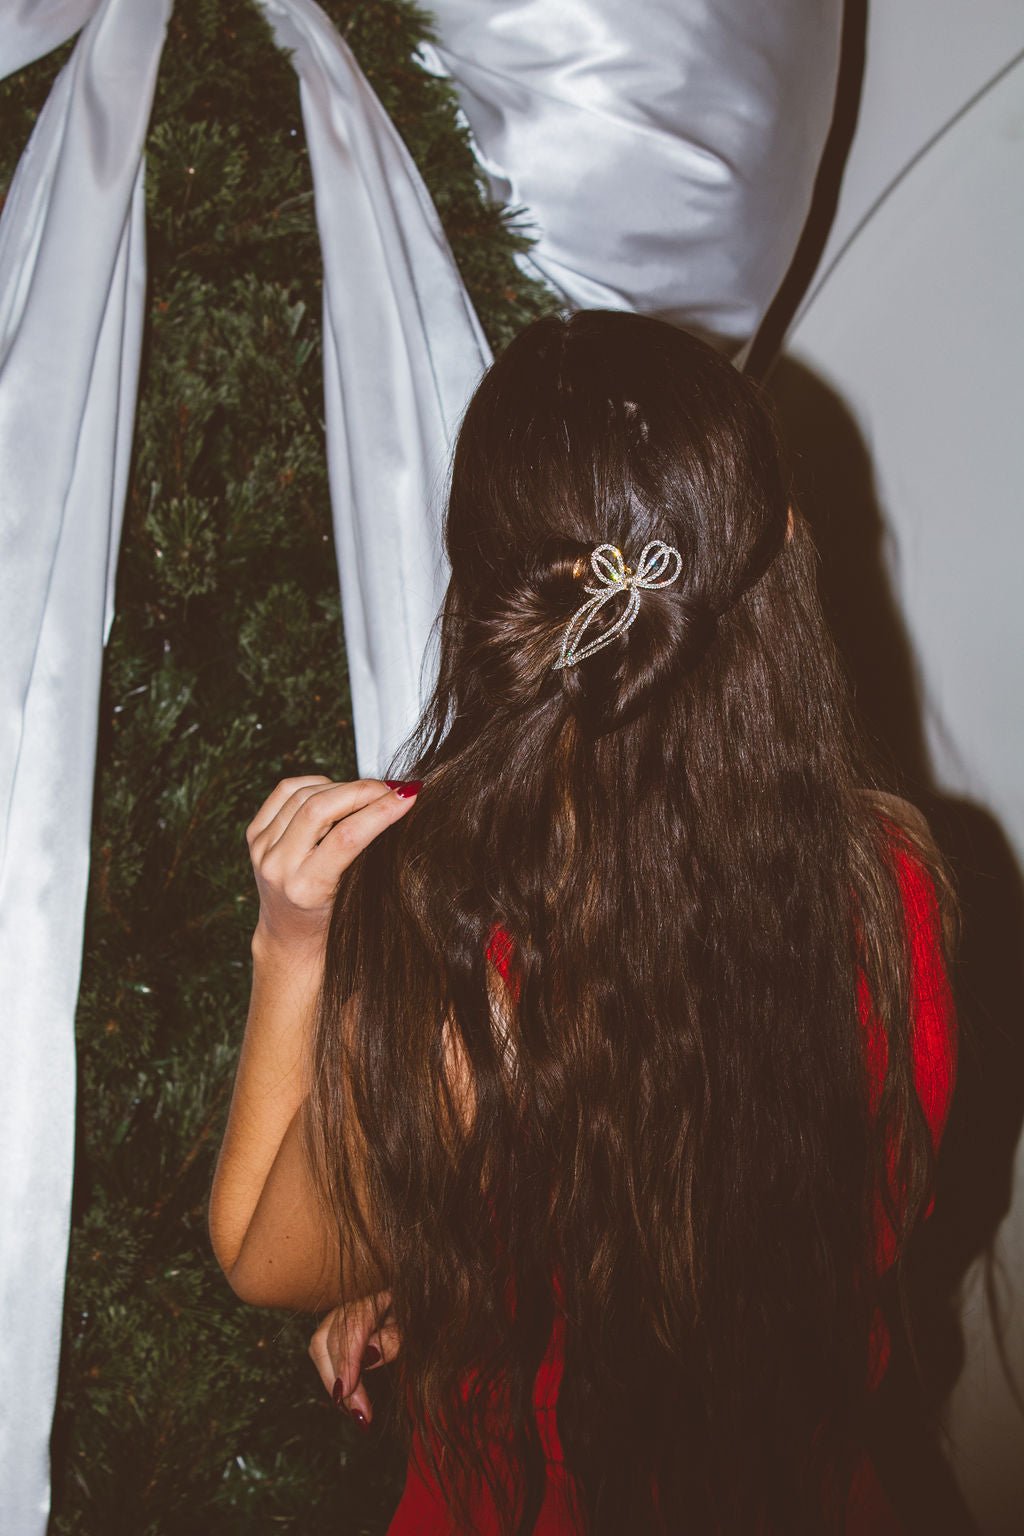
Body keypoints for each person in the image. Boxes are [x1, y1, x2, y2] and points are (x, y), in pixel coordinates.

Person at [209, 311, 957, 1534]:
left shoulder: (464, 950)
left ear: (483, 591)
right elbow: (785, 1211)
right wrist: (458, 1266)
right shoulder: (894, 882)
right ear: (781, 541)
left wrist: (290, 946)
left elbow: (260, 1251)